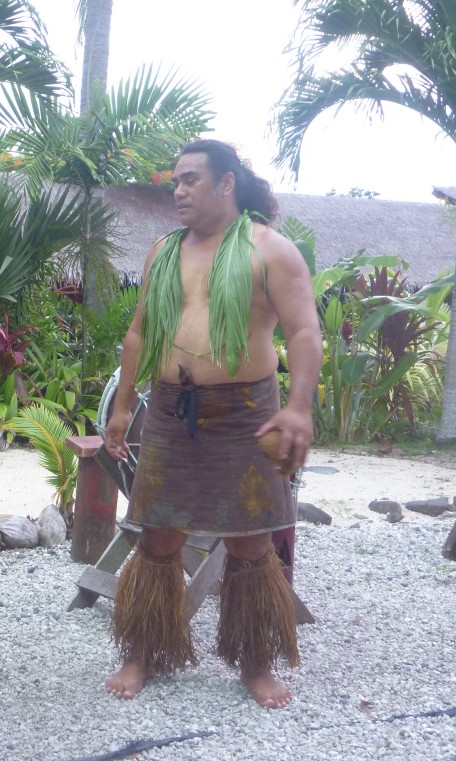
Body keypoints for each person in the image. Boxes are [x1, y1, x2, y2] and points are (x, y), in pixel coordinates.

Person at [102, 139, 322, 709]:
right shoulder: (164, 251)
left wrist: (297, 407)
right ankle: (145, 650)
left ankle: (255, 662)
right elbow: (140, 332)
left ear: (227, 183)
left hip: (243, 416)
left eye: (191, 179)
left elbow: (302, 332)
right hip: (173, 410)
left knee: (251, 544)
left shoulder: (270, 250)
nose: (178, 191)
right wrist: (122, 406)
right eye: (176, 180)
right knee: (157, 535)